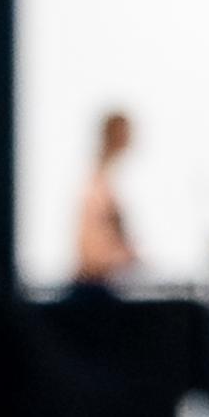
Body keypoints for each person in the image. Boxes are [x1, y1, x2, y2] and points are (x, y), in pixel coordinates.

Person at [72, 111, 138, 288]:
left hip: (105, 281)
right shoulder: (97, 186)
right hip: (95, 285)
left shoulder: (106, 180)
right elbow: (90, 252)